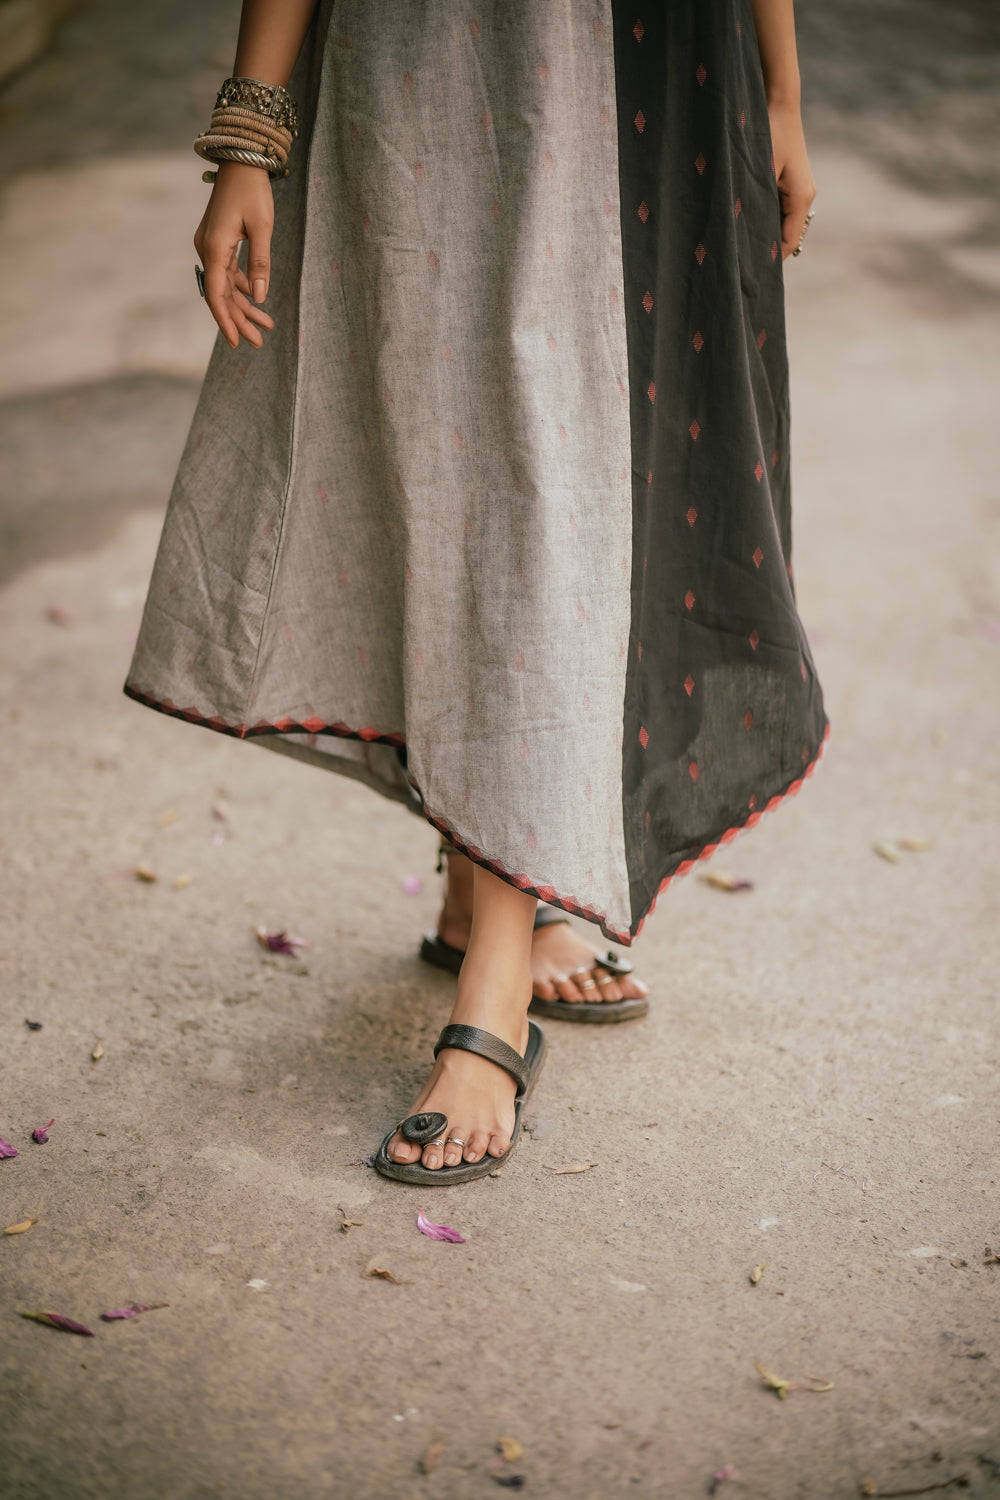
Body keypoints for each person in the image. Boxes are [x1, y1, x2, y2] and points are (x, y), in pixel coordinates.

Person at [125, 0, 828, 1185]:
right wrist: (249, 130)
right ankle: (481, 884)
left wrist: (781, 92)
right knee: (442, 444)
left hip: (652, 65)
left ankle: (492, 967)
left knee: (555, 476)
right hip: (435, 56)